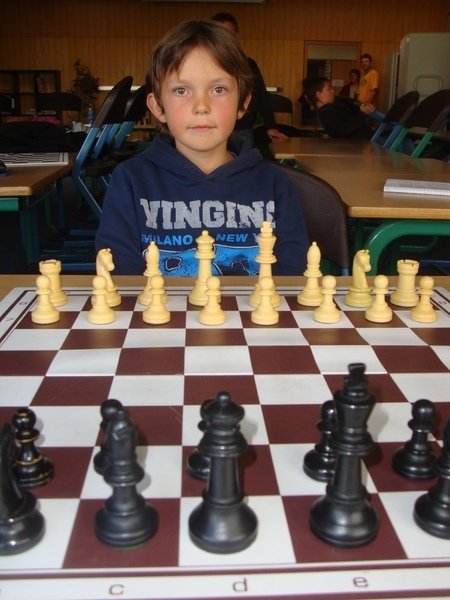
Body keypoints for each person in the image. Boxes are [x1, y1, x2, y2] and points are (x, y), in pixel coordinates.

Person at [95, 20, 308, 277]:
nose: (201, 106)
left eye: (218, 89)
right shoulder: (130, 181)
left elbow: (292, 274)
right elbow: (119, 276)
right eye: (181, 90)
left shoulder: (274, 184)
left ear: (243, 103)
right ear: (158, 107)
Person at [211, 12, 288, 150]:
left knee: (244, 161)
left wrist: (271, 126)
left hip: (242, 129)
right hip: (210, 127)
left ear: (235, 37)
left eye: (227, 34)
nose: (222, 38)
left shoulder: (248, 64)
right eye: (217, 33)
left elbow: (262, 95)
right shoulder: (202, 64)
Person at [303, 76, 376, 139]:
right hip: (361, 143)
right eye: (328, 89)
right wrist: (363, 113)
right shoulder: (326, 111)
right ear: (319, 95)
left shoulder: (332, 105)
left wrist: (363, 109)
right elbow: (344, 129)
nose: (332, 91)